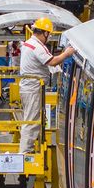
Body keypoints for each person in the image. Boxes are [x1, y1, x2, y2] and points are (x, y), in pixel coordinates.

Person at [18, 17, 76, 153]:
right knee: (31, 121)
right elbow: (52, 62)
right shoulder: (37, 46)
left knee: (32, 119)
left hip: (30, 87)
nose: (49, 37)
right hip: (32, 89)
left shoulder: (30, 43)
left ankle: (27, 149)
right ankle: (24, 152)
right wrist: (66, 54)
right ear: (44, 33)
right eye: (48, 34)